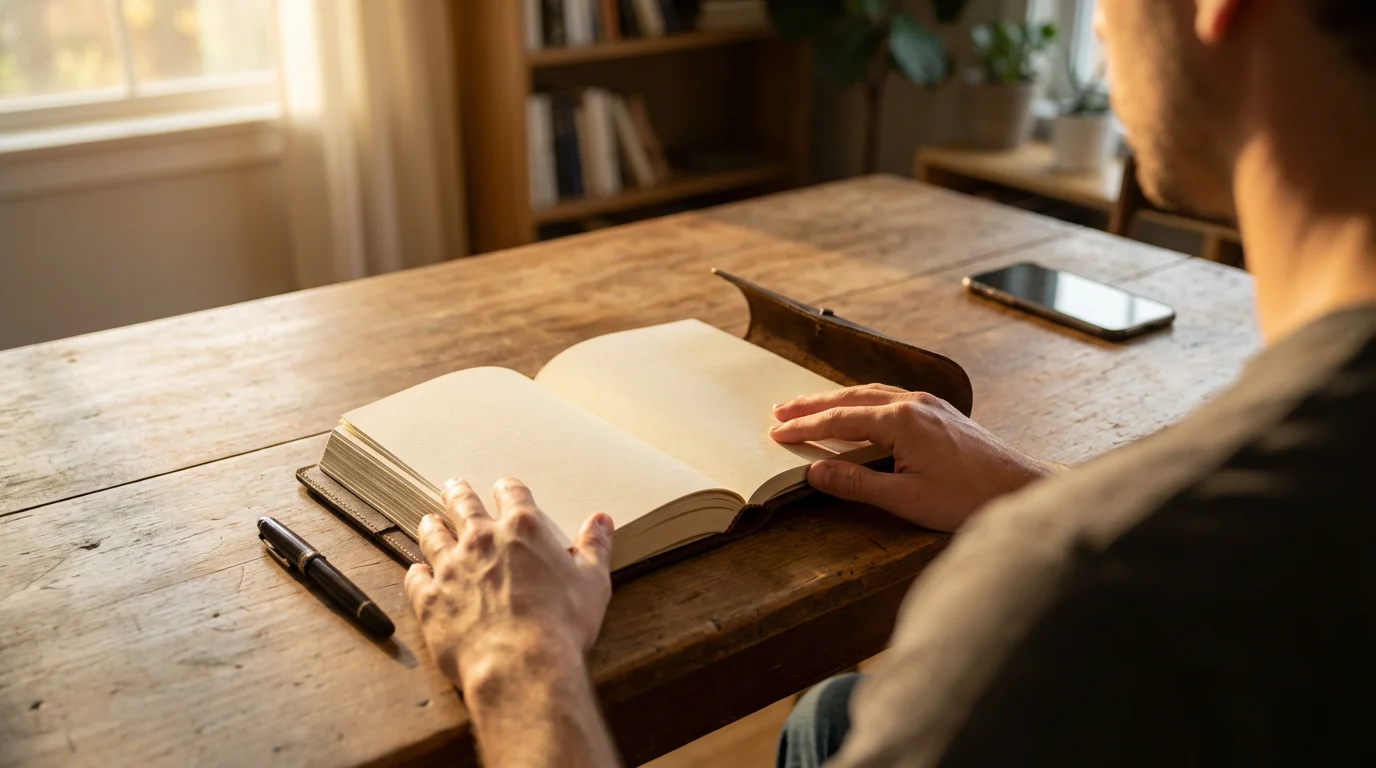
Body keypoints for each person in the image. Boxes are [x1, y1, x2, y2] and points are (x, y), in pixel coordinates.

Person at [400, 0, 1376, 764]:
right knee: (832, 716)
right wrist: (1024, 490)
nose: (1103, 21)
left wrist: (516, 664)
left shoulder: (1075, 595)